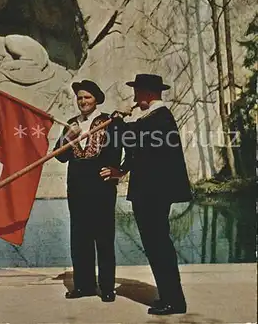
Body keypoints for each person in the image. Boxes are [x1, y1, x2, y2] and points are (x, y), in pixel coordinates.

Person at [100, 74, 192, 315]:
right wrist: (121, 170)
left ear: (147, 93)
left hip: (153, 194)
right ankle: (170, 297)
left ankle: (174, 300)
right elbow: (138, 149)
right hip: (150, 193)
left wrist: (117, 117)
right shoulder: (153, 118)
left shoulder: (159, 117)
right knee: (155, 245)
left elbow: (127, 136)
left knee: (158, 245)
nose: (134, 96)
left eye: (137, 91)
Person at [54, 79, 124, 302]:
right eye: (80, 98)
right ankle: (83, 286)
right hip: (76, 188)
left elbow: (123, 150)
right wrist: (68, 138)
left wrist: (117, 170)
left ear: (96, 100)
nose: (83, 101)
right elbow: (60, 155)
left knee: (103, 237)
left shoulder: (110, 122)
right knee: (80, 237)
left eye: (87, 97)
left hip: (101, 188)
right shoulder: (71, 124)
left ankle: (107, 287)